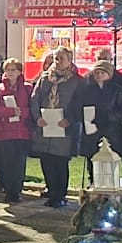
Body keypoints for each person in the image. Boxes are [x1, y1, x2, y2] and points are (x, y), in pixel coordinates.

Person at [31, 48, 86, 207]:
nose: (58, 61)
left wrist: (70, 119)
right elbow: (35, 98)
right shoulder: (45, 78)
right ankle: (52, 191)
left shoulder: (76, 81)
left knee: (60, 162)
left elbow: (79, 104)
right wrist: (37, 117)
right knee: (47, 161)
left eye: (62, 58)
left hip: (64, 128)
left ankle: (60, 195)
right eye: (56, 58)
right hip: (45, 125)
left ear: (69, 61)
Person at [0, 58, 34, 204]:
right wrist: (11, 112)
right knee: (7, 162)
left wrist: (22, 113)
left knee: (19, 162)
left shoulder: (27, 88)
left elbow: (32, 108)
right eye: (8, 69)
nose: (10, 73)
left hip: (22, 130)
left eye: (13, 69)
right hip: (4, 130)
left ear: (19, 72)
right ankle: (8, 190)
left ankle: (17, 191)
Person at [78, 61, 122, 177]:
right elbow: (78, 106)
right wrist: (84, 117)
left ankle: (109, 190)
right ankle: (93, 186)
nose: (100, 75)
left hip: (111, 132)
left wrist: (107, 116)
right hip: (91, 131)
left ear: (109, 75)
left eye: (103, 72)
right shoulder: (86, 90)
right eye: (97, 72)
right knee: (92, 162)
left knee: (109, 164)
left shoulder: (116, 90)